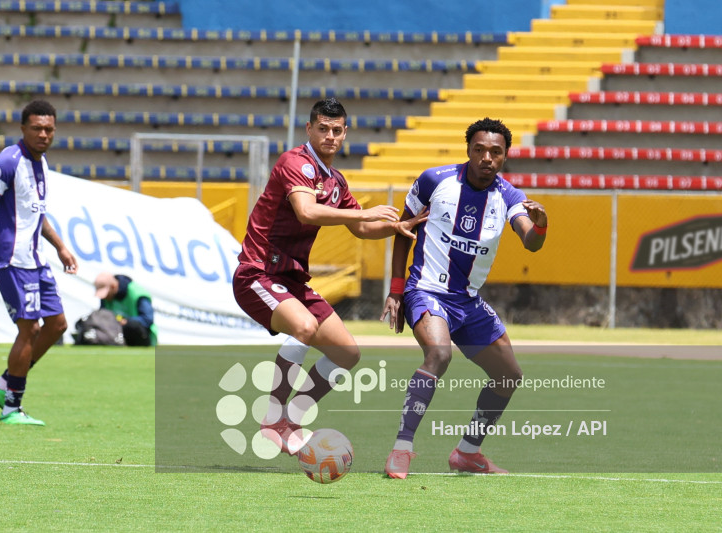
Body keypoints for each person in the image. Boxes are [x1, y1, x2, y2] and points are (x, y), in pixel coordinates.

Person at [233, 97, 427, 454]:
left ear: (345, 134)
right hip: (257, 273)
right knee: (304, 327)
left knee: (347, 353)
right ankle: (273, 420)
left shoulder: (334, 180)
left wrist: (396, 227)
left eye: (337, 130)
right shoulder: (296, 162)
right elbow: (307, 212)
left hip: (291, 280)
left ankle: (291, 419)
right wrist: (363, 214)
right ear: (309, 129)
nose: (330, 136)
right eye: (322, 128)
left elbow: (363, 230)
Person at [380, 117, 548, 478]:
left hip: (467, 301)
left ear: (505, 156)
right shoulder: (434, 180)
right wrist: (396, 290)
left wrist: (541, 224)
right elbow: (402, 231)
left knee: (508, 376)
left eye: (496, 152)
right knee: (439, 353)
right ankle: (402, 447)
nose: (487, 157)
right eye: (480, 150)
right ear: (469, 150)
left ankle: (468, 453)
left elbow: (530, 241)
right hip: (425, 290)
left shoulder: (509, 197)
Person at [0, 99, 78, 426]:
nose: (43, 134)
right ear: (23, 129)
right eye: (36, 128)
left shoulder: (42, 164)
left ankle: (6, 383)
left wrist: (61, 246)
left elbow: (37, 215)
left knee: (58, 325)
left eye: (49, 129)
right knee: (30, 328)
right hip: (12, 260)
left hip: (37, 259)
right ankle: (11, 408)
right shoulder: (9, 160)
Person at [93, 272, 158, 346]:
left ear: (113, 287)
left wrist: (127, 321)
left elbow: (147, 319)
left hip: (142, 335)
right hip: (116, 333)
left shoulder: (137, 293)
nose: (104, 298)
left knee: (132, 326)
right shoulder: (106, 297)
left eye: (106, 294)